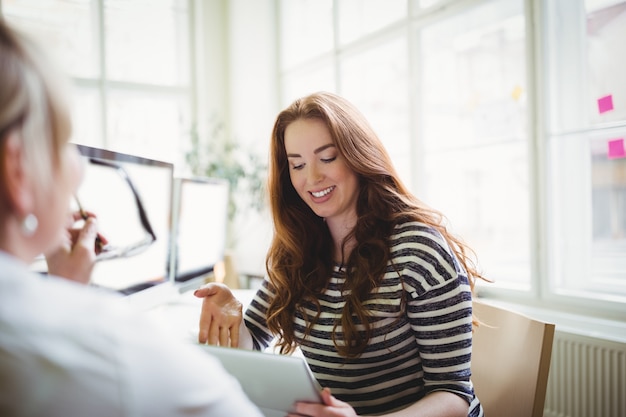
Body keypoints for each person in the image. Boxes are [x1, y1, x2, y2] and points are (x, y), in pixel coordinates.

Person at [0, 18, 262, 417]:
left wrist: (65, 289)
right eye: (62, 145)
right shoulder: (114, 344)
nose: (79, 170)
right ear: (18, 171)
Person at [194, 91, 487, 416]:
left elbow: (453, 396)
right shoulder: (297, 251)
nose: (312, 178)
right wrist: (231, 317)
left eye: (328, 157)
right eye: (298, 165)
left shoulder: (417, 250)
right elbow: (254, 340)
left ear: (357, 155)